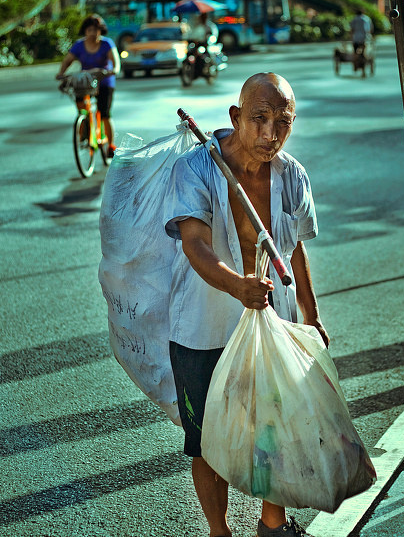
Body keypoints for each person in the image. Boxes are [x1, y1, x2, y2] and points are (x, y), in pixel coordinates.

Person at [164, 72, 329, 537]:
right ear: (236, 117)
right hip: (203, 327)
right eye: (260, 119)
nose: (271, 134)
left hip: (273, 327)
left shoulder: (292, 175)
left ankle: (273, 525)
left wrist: (312, 316)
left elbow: (294, 249)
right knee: (205, 443)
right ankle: (219, 531)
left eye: (283, 122)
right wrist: (238, 286)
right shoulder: (196, 169)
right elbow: (195, 244)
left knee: (276, 427)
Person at [55, 14, 121, 156]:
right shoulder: (79, 45)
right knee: (82, 108)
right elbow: (67, 61)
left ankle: (111, 145)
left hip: (104, 81)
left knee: (105, 113)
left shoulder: (107, 44)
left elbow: (115, 61)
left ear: (100, 31)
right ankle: (84, 128)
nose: (92, 33)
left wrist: (114, 70)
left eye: (95, 30)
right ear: (85, 31)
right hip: (85, 83)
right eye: (89, 30)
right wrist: (61, 73)